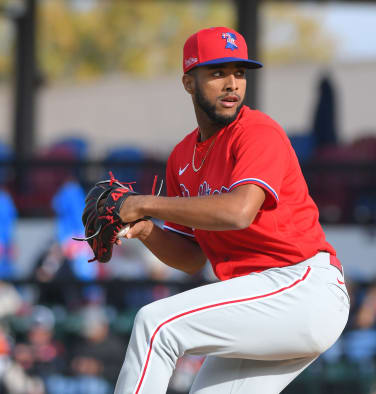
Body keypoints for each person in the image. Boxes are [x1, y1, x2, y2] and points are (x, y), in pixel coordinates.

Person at [112, 26, 349, 394]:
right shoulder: (181, 157)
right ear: (188, 83)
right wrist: (145, 229)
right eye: (218, 72)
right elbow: (191, 258)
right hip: (261, 299)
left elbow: (239, 212)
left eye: (239, 72)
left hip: (302, 288)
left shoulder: (257, 131)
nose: (232, 84)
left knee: (155, 324)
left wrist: (142, 202)